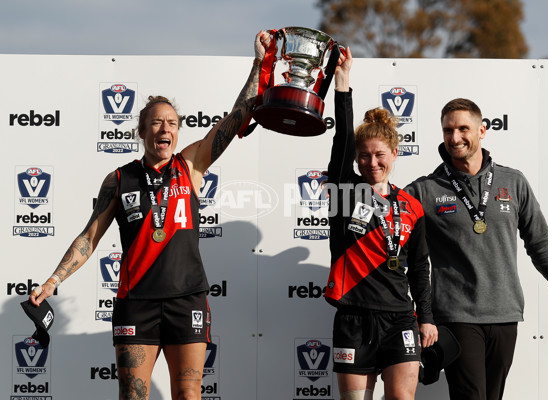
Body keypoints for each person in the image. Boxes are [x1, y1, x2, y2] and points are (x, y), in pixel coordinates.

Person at [29, 31, 272, 400]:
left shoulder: (191, 165)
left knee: (188, 394)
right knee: (133, 396)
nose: (166, 129)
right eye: (157, 123)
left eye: (172, 123)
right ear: (142, 131)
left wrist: (259, 63)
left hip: (186, 299)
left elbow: (238, 115)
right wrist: (52, 281)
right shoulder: (119, 179)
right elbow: (89, 237)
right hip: (136, 302)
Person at [404, 98, 548, 400]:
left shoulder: (513, 182)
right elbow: (391, 234)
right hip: (456, 315)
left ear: (482, 130)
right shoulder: (425, 190)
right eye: (448, 130)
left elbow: (538, 242)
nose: (455, 137)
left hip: (504, 312)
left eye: (463, 128)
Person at [324, 47, 437, 400]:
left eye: (378, 155)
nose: (371, 162)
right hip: (353, 319)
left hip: (400, 319)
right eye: (364, 156)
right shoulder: (345, 191)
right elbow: (343, 139)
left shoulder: (411, 206)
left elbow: (419, 266)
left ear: (394, 154)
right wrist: (343, 83)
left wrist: (427, 316)